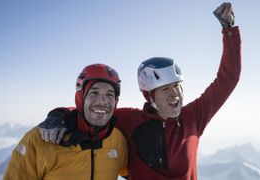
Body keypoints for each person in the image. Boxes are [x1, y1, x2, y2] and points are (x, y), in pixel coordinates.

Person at [39, 2, 241, 180]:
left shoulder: (194, 117)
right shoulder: (130, 120)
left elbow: (227, 79)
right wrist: (59, 115)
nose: (175, 94)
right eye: (165, 89)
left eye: (177, 86)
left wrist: (229, 30)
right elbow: (92, 110)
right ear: (149, 96)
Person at [3, 64, 128, 180]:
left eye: (110, 95)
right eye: (94, 92)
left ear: (116, 101)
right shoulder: (38, 140)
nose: (102, 101)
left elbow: (134, 172)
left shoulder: (117, 140)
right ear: (80, 98)